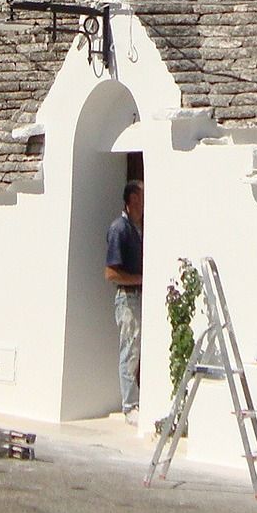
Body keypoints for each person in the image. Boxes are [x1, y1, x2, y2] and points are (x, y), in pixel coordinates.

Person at [103, 179, 144, 426]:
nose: (142, 206)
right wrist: (140, 279)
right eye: (139, 201)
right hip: (128, 298)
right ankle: (130, 405)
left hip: (138, 297)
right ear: (130, 202)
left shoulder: (139, 230)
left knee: (137, 348)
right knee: (129, 349)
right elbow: (110, 273)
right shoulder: (120, 229)